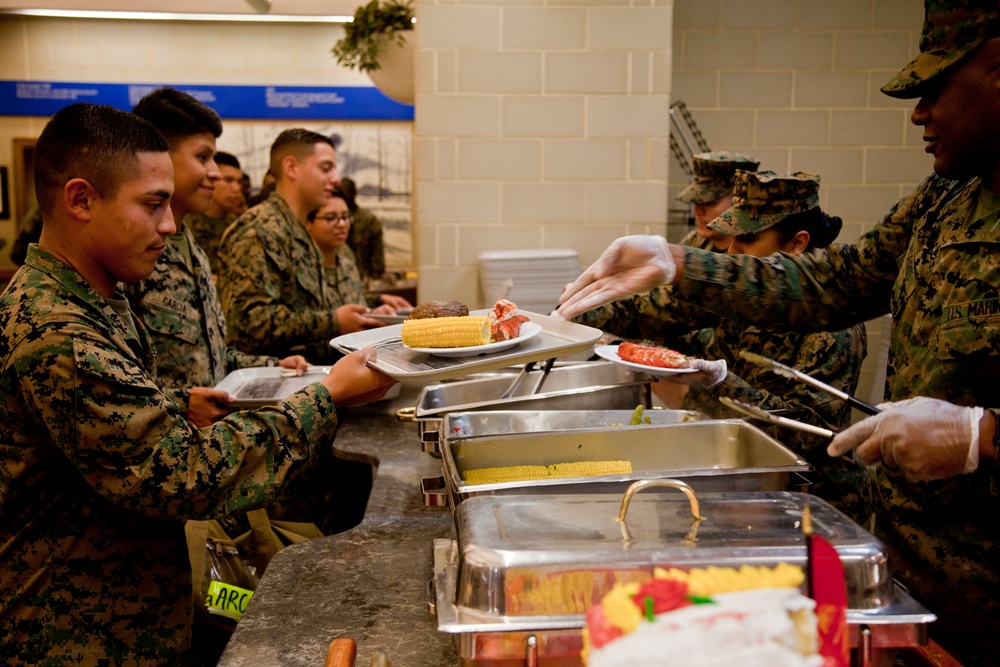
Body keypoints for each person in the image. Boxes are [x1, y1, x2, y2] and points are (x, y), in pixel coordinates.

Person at [555, 2, 1000, 662]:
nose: (917, 113)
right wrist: (682, 264)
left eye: (933, 87)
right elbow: (838, 280)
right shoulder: (946, 196)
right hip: (908, 576)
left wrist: (983, 434)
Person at [0, 102, 394, 666]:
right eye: (152, 205)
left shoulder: (92, 301)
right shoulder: (60, 329)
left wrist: (172, 403)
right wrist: (326, 395)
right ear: (81, 200)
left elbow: (111, 419)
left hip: (126, 612)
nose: (168, 224)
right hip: (78, 635)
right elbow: (178, 475)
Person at [576, 171, 870, 524]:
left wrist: (720, 382)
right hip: (733, 475)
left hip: (804, 503)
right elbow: (655, 311)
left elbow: (809, 435)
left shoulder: (834, 328)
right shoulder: (739, 291)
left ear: (797, 243)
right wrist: (573, 313)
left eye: (746, 239)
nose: (731, 252)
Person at [128, 87, 306, 429]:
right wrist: (180, 404)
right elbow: (118, 382)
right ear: (157, 156)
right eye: (202, 157)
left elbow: (210, 354)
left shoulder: (190, 246)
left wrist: (275, 365)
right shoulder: (132, 253)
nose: (215, 172)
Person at [217, 129, 388, 364]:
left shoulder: (296, 230)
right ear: (291, 168)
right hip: (275, 386)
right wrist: (332, 322)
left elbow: (307, 306)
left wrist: (368, 311)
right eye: (325, 168)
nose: (336, 179)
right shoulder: (259, 230)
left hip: (308, 381)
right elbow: (248, 323)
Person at [304, 186, 411, 314]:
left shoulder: (347, 264)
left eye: (345, 217)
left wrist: (377, 304)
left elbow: (352, 302)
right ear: (308, 223)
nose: (342, 224)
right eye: (331, 217)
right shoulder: (301, 268)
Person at [676, 151, 760, 252]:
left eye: (709, 202)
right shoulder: (695, 242)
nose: (696, 212)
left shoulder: (757, 253)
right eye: (696, 202)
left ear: (741, 203)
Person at [188, 150, 244, 276]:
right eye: (228, 180)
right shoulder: (185, 224)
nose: (236, 188)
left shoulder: (237, 226)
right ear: (211, 179)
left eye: (239, 181)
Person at [340, 176, 387, 280]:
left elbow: (378, 259)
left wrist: (374, 278)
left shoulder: (369, 221)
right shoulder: (331, 221)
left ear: (355, 192)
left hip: (364, 279)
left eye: (349, 191)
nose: (346, 195)